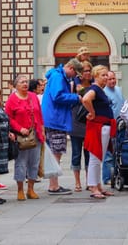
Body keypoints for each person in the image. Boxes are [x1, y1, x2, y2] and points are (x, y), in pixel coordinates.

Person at [41, 58, 83, 195]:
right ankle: (53, 186)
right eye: (75, 73)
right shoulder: (58, 77)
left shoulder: (56, 75)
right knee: (56, 152)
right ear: (70, 68)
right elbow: (57, 96)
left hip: (54, 118)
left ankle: (54, 184)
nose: (74, 77)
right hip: (56, 119)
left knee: (55, 152)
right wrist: (75, 97)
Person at [5, 75, 45, 201]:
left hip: (36, 133)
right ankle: (20, 189)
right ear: (16, 85)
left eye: (26, 82)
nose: (25, 84)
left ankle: (31, 188)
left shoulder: (33, 96)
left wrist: (42, 130)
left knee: (34, 162)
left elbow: (39, 113)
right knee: (21, 163)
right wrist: (19, 128)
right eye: (22, 82)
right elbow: (8, 118)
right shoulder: (12, 99)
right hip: (22, 136)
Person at [82, 65, 117, 199]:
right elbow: (86, 99)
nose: (106, 78)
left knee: (98, 157)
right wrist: (92, 112)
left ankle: (98, 185)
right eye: (103, 75)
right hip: (98, 126)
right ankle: (93, 186)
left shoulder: (100, 90)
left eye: (106, 75)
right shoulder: (95, 89)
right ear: (96, 76)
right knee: (95, 157)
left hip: (103, 126)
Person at [70, 61, 92, 192]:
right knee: (76, 153)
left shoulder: (94, 86)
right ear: (79, 73)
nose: (88, 73)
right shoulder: (73, 85)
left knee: (89, 153)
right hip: (76, 122)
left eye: (89, 70)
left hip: (89, 122)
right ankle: (77, 182)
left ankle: (89, 181)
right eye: (85, 71)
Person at [102, 70, 124, 185]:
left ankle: (115, 174)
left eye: (113, 78)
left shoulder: (119, 90)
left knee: (118, 152)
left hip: (120, 125)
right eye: (110, 79)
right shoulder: (104, 92)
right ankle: (106, 178)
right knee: (108, 154)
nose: (112, 81)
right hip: (110, 125)